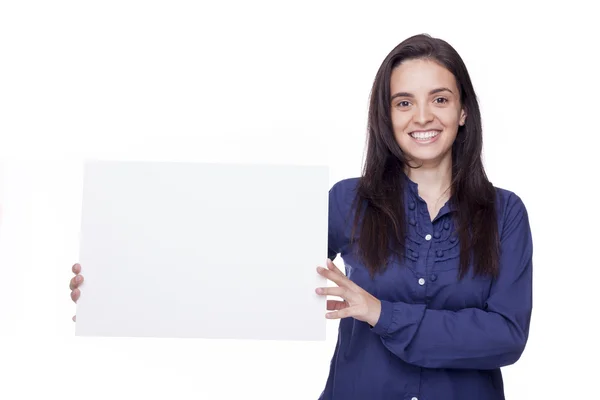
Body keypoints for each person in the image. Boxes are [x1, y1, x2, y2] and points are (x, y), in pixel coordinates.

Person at [70, 33, 533, 400]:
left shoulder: (505, 213)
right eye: (404, 102)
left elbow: (505, 337)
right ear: (386, 116)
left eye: (440, 99)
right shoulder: (348, 201)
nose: (422, 116)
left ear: (463, 111)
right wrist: (115, 284)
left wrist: (379, 312)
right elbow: (243, 267)